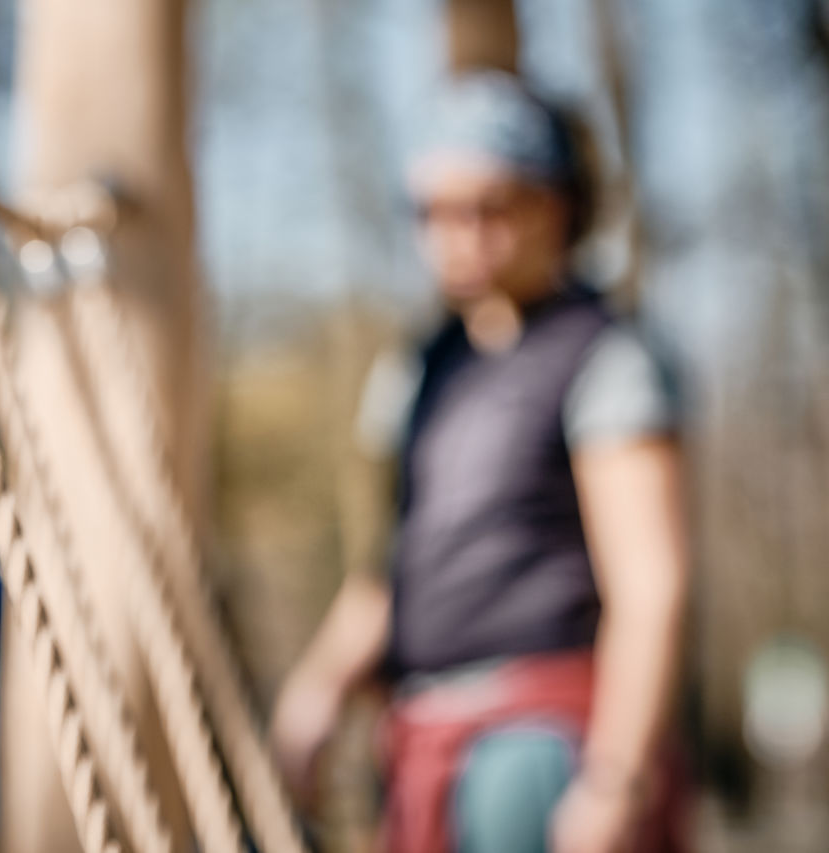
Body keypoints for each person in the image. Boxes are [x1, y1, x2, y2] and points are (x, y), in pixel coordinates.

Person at [270, 71, 689, 853]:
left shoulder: (605, 357)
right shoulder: (421, 370)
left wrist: (615, 776)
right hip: (428, 742)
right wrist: (319, 685)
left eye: (488, 206)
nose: (459, 233)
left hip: (540, 747)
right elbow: (398, 566)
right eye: (435, 211)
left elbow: (650, 589)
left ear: (557, 206)